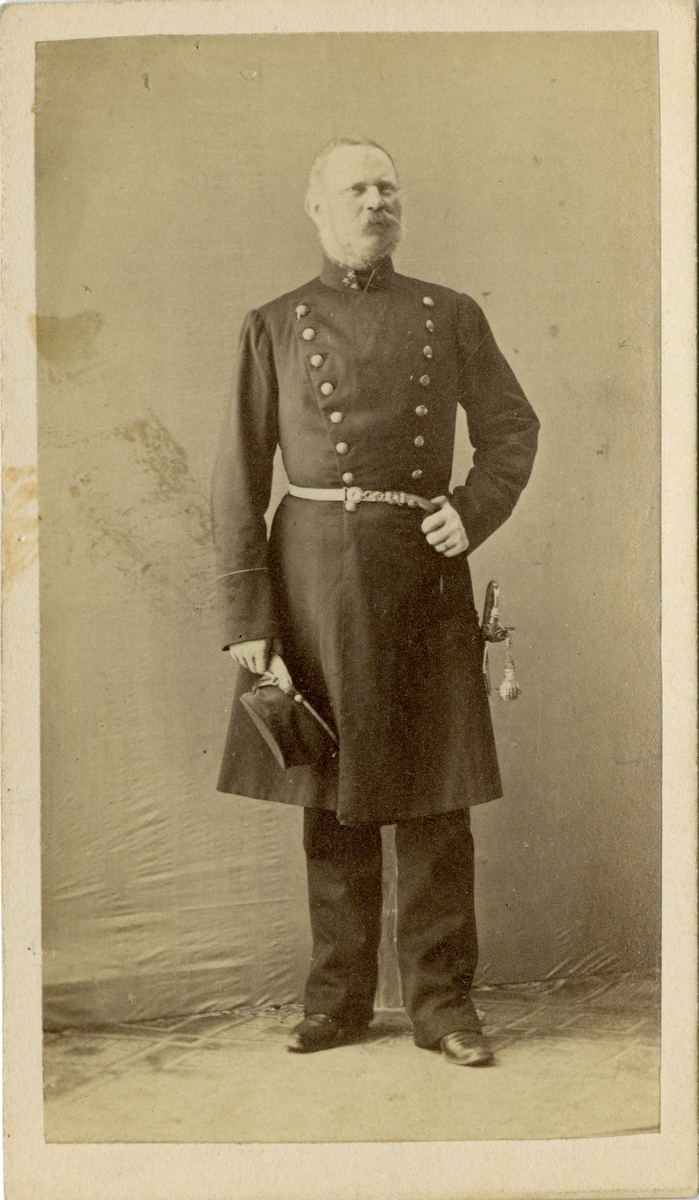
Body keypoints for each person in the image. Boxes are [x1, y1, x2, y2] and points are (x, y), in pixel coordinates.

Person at [212, 137, 539, 1066]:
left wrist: (469, 512)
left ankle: (443, 1007)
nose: (374, 202)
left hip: (422, 572)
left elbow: (511, 428)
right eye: (354, 188)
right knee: (330, 794)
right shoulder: (272, 324)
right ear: (316, 207)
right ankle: (336, 1002)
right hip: (313, 578)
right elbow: (237, 476)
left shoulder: (451, 314)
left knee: (436, 798)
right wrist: (248, 618)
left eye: (387, 187)